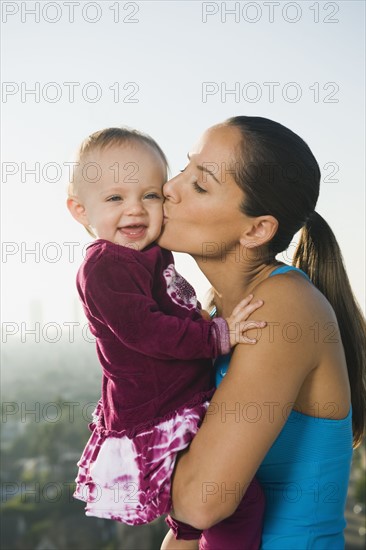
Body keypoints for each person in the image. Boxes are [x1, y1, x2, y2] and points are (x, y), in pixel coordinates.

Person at [159, 116, 366, 549]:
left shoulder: (284, 308)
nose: (169, 188)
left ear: (257, 229)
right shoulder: (220, 319)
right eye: (185, 168)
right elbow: (186, 530)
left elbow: (200, 503)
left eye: (200, 184)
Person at [66, 127, 266, 549]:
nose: (135, 210)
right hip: (159, 411)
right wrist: (217, 336)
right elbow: (148, 331)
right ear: (80, 210)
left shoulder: (151, 253)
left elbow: (176, 307)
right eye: (115, 198)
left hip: (182, 400)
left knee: (208, 509)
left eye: (150, 195)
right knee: (237, 499)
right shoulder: (105, 266)